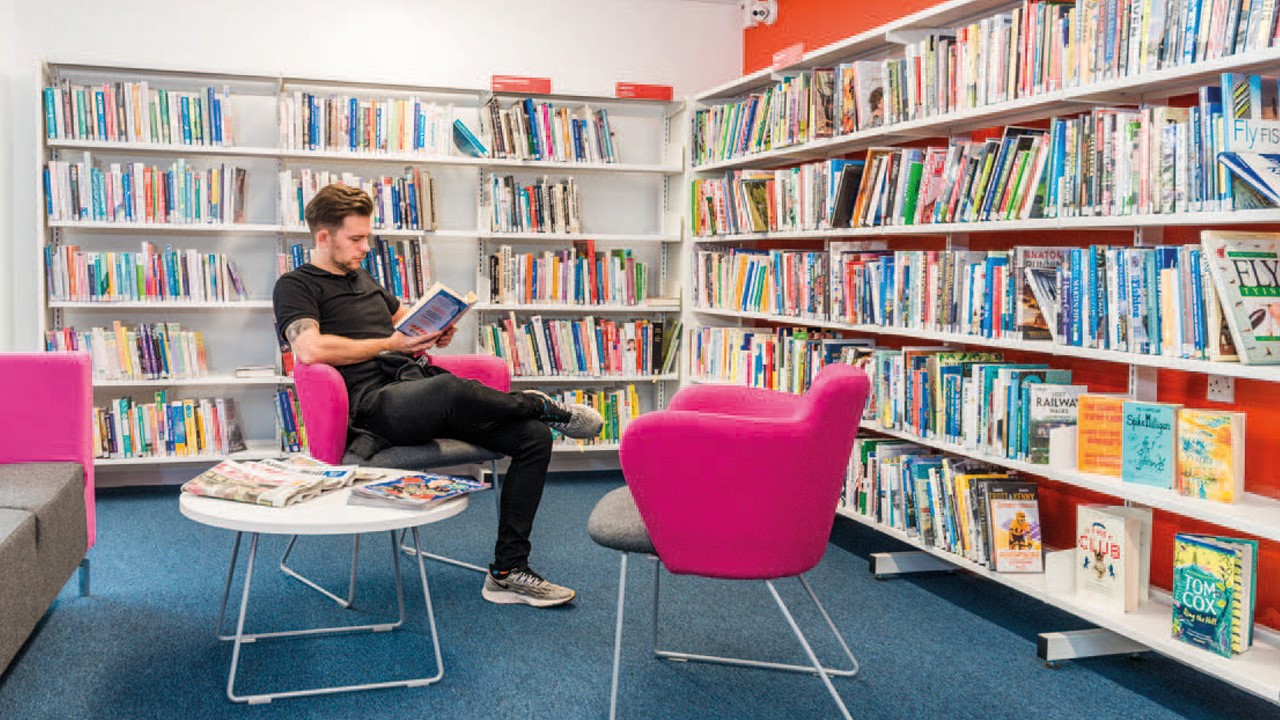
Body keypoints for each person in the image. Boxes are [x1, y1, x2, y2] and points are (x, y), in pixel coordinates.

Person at [273, 183, 601, 608]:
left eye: (366, 237)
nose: (365, 247)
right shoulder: (296, 286)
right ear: (323, 237)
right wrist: (391, 344)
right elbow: (309, 349)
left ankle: (507, 571)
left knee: (534, 438)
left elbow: (404, 324)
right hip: (373, 409)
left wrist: (436, 329)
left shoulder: (364, 279)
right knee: (448, 388)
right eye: (355, 239)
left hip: (415, 389)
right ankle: (540, 403)